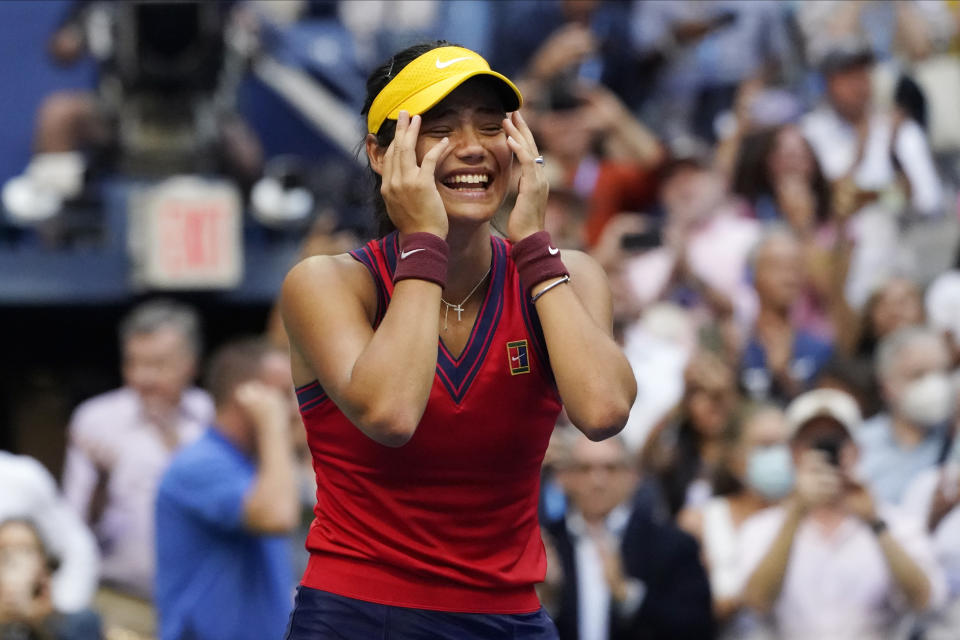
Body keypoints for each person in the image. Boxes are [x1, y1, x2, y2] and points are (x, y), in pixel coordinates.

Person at [278, 41, 636, 638]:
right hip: (360, 616)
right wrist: (424, 241)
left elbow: (603, 413)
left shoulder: (563, 272)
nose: (473, 147)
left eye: (492, 125)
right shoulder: (327, 282)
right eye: (439, 129)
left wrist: (534, 249)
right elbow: (390, 413)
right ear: (381, 154)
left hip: (511, 616)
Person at [738, 388, 947, 640]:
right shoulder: (762, 528)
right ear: (793, 454)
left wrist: (875, 524)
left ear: (856, 450)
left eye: (834, 442)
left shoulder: (895, 522)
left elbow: (925, 600)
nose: (826, 454)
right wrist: (795, 514)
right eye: (814, 443)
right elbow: (756, 602)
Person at [61, 299, 212, 601]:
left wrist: (173, 444)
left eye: (158, 364)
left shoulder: (211, 416)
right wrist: (100, 487)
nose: (143, 378)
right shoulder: (95, 419)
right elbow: (70, 527)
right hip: (120, 599)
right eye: (133, 363)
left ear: (191, 364)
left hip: (201, 596)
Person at [154, 338, 299, 640]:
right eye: (284, 396)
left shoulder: (252, 466)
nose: (296, 411)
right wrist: (273, 426)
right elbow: (278, 516)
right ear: (247, 397)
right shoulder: (200, 464)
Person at [544, 434, 713, 640]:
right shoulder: (546, 543)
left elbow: (697, 625)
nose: (598, 481)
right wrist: (546, 598)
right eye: (584, 468)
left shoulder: (673, 544)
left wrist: (628, 596)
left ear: (633, 476)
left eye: (611, 468)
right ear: (563, 477)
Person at [678, 404, 793, 638]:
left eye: (786, 445)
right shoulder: (700, 522)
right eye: (766, 446)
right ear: (734, 459)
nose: (780, 456)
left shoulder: (813, 519)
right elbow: (685, 612)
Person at [859, 326, 954, 504]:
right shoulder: (860, 446)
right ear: (887, 386)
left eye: (942, 373)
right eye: (918, 375)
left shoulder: (954, 436)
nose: (934, 384)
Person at [740, 227, 833, 404]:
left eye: (796, 268)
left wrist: (784, 376)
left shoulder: (820, 349)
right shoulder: (738, 347)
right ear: (753, 275)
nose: (790, 278)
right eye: (778, 267)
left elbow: (822, 418)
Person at [0, 453, 99, 615]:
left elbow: (76, 546)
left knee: (83, 622)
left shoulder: (20, 477)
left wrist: (60, 609)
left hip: (25, 619)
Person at [0, 519, 101, 640]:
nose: (14, 561)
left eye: (25, 550)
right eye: (4, 551)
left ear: (43, 562)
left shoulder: (80, 622)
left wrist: (40, 623)